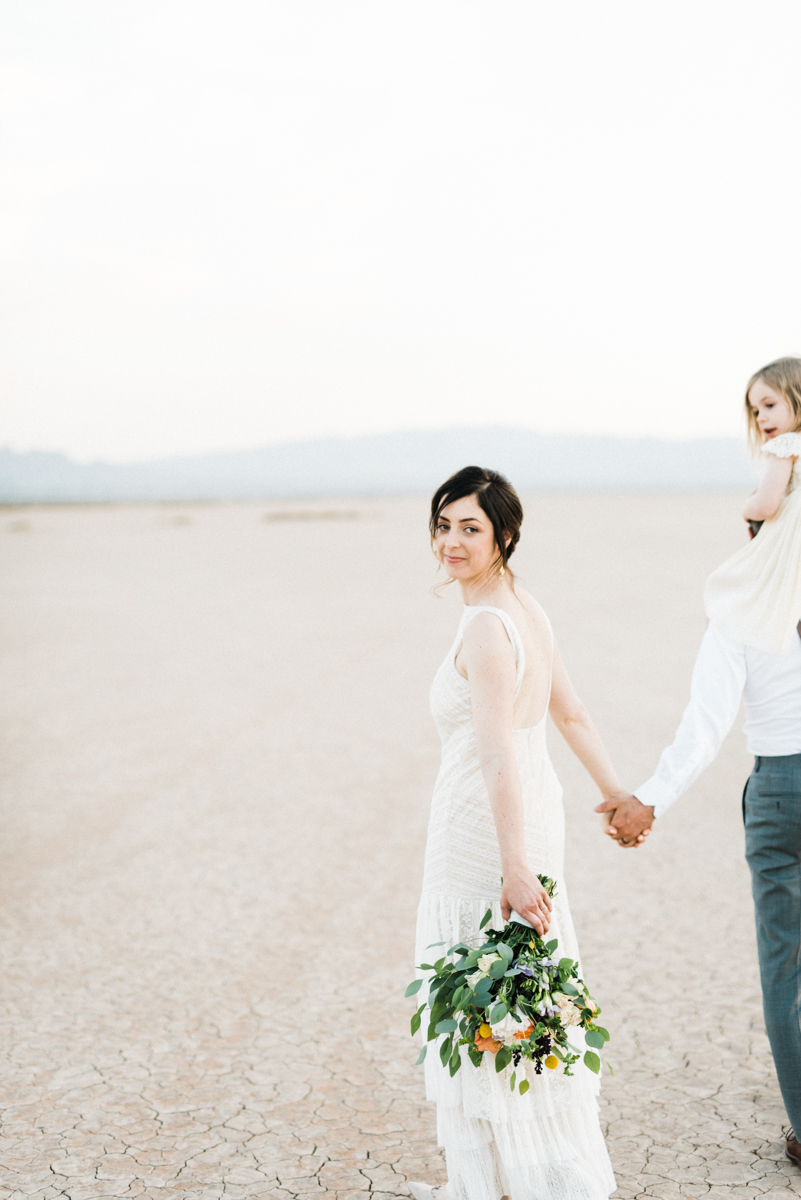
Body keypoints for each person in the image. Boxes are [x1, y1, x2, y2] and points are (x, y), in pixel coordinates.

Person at [598, 357, 801, 1167]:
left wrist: (645, 798)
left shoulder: (737, 614)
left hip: (780, 789)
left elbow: (705, 725)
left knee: (785, 964)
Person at [409, 465, 626, 1200]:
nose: (451, 541)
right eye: (443, 524)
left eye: (469, 527)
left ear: (504, 534)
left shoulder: (488, 625)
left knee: (485, 996)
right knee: (518, 994)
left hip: (487, 829)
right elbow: (571, 715)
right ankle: (522, 1170)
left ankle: (510, 1181)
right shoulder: (526, 607)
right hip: (530, 812)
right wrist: (614, 794)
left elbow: (498, 749)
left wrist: (514, 866)